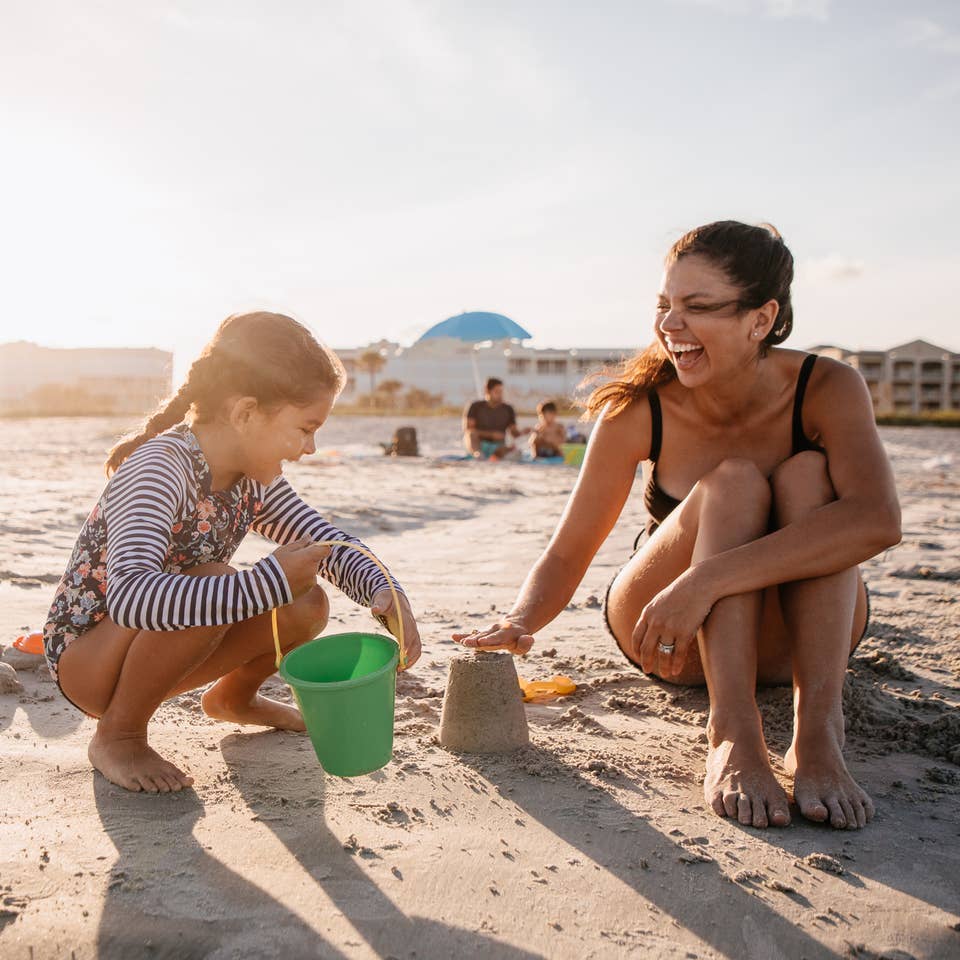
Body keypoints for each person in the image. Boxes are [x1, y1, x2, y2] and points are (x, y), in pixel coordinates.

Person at [455, 221, 901, 831]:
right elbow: (569, 551)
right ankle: (732, 734)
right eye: (664, 305)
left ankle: (818, 735)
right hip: (673, 636)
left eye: (697, 307)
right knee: (735, 483)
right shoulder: (640, 406)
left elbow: (876, 519)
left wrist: (707, 581)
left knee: (807, 478)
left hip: (795, 640)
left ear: (760, 318)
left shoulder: (826, 386)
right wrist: (520, 620)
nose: (669, 325)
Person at [43, 312, 422, 794]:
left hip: (159, 651)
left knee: (306, 601)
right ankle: (119, 733)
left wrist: (386, 592)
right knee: (215, 579)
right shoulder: (161, 466)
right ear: (245, 414)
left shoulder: (253, 479)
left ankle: (234, 699)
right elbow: (131, 598)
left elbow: (325, 541)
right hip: (89, 663)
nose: (310, 448)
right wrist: (264, 583)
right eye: (305, 428)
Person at [463, 378, 527, 458]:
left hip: (498, 445)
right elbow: (468, 429)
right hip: (478, 444)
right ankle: (478, 455)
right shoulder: (475, 406)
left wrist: (522, 432)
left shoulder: (508, 409)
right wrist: (491, 435)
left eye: (501, 392)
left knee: (513, 450)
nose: (500, 395)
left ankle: (503, 455)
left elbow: (513, 433)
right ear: (487, 391)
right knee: (471, 435)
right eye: (497, 392)